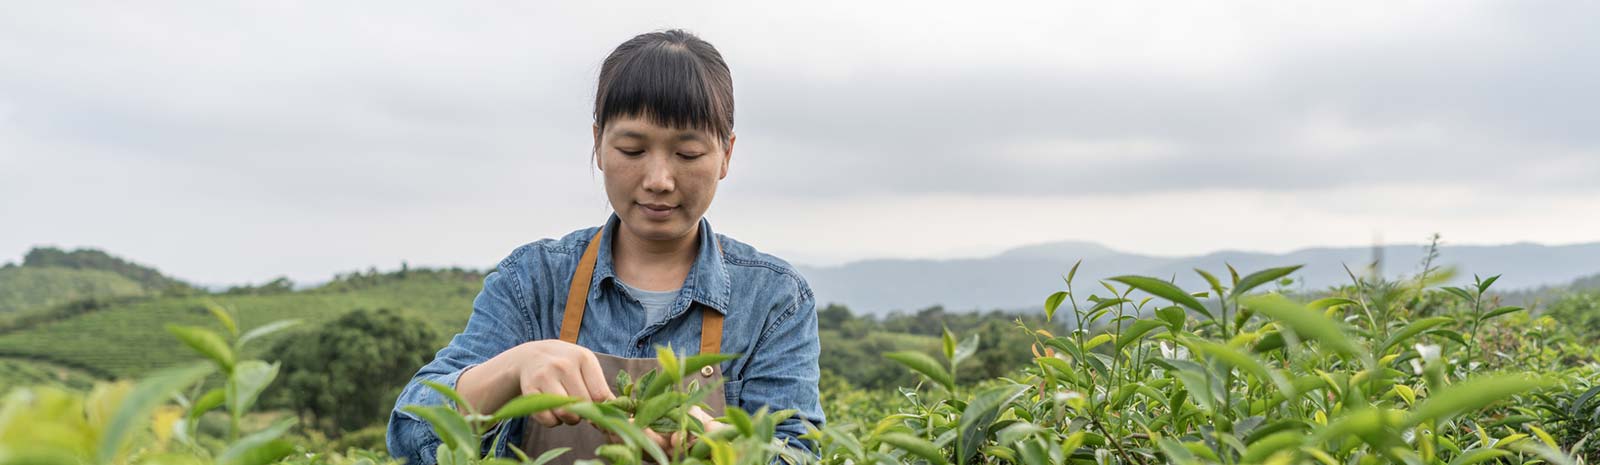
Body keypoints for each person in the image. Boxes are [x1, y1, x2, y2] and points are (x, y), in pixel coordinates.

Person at [385, 29, 823, 465]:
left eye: (687, 154)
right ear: (598, 143)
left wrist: (723, 445)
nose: (659, 180)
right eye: (632, 150)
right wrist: (514, 368)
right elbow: (410, 432)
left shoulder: (773, 299)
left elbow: (798, 452)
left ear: (726, 154)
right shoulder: (533, 280)